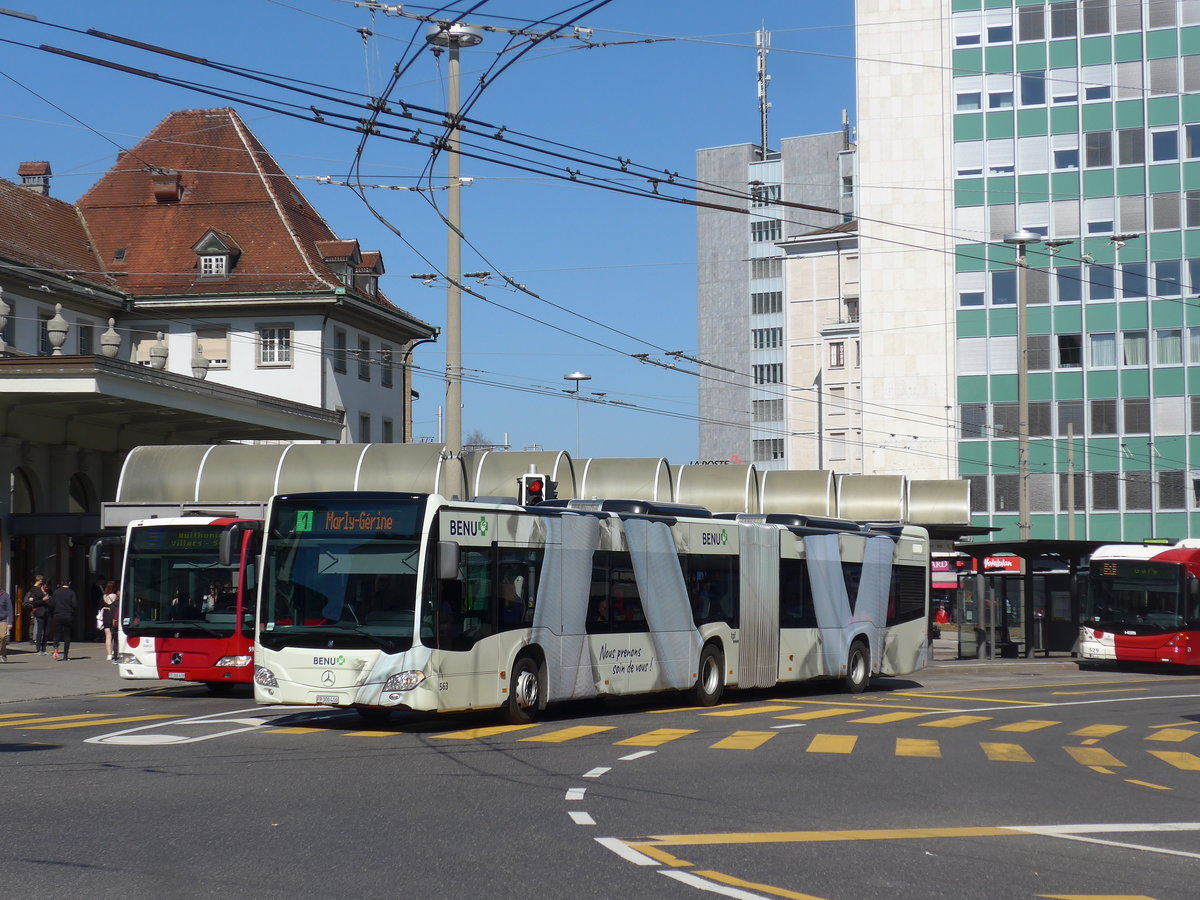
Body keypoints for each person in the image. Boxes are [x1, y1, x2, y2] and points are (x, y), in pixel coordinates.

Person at [49, 578, 78, 661]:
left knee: (57, 633)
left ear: (61, 583)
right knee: (67, 635)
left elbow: (52, 604)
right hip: (68, 614)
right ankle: (65, 655)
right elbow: (75, 604)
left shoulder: (56, 592)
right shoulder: (71, 592)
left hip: (57, 614)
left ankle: (55, 649)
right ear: (69, 583)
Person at [23, 575, 50, 655]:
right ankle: (39, 649)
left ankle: (44, 648)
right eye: (42, 580)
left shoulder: (41, 589)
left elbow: (46, 598)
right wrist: (42, 600)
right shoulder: (33, 589)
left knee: (46, 631)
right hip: (39, 612)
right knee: (40, 630)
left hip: (45, 611)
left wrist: (44, 592)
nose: (43, 582)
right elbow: (32, 602)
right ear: (39, 580)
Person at [101, 581, 119, 663]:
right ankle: (115, 652)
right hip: (113, 615)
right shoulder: (115, 596)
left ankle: (109, 654)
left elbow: (100, 606)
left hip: (105, 615)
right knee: (115, 635)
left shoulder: (104, 596)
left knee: (108, 636)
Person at [0, 584, 12, 663]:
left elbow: (10, 609)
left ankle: (3, 654)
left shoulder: (5, 596)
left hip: (2, 619)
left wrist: (10, 622)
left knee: (3, 636)